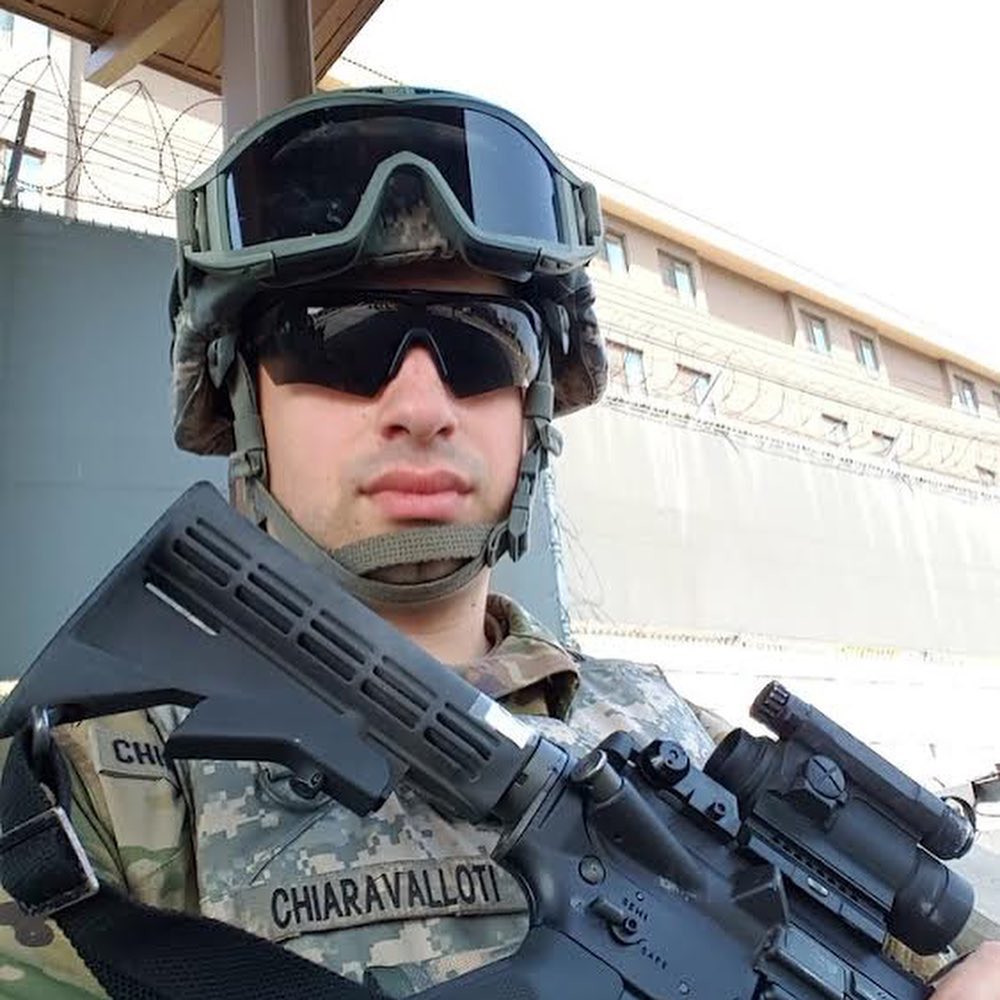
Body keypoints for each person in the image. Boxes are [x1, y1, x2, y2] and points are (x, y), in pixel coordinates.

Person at [0, 88, 996, 998]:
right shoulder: (95, 788)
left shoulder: (677, 739)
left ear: (533, 407)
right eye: (335, 339)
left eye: (482, 347)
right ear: (242, 396)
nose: (421, 406)